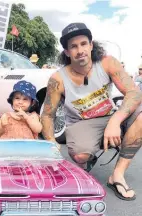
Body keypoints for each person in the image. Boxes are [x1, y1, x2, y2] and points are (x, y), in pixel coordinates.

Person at [41, 22, 142, 201]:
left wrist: (115, 121)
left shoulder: (106, 62)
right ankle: (89, 156)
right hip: (82, 122)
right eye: (73, 46)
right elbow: (48, 114)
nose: (80, 50)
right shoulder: (57, 79)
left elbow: (134, 92)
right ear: (66, 52)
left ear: (91, 45)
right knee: (80, 155)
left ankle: (117, 175)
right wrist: (50, 142)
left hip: (110, 115)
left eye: (83, 43)